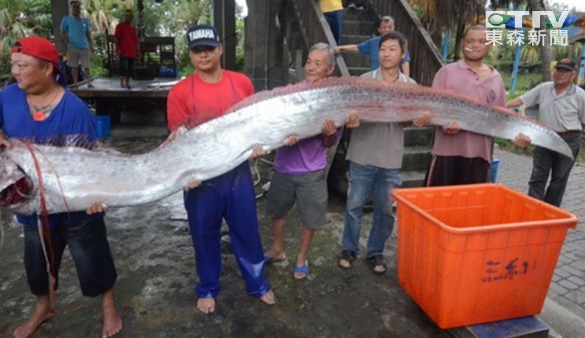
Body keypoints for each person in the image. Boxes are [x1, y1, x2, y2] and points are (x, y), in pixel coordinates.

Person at [0, 36, 122, 338]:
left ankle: (108, 304)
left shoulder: (74, 110)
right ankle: (43, 307)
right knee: (36, 266)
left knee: (92, 260)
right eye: (13, 65)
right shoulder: (7, 98)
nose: (15, 71)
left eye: (22, 65)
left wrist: (98, 196)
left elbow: (91, 162)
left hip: (77, 208)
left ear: (47, 69)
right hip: (32, 205)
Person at [166, 24, 275, 314]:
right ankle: (208, 287)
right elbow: (177, 141)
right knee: (204, 235)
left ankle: (257, 283)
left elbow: (255, 125)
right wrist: (185, 174)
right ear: (190, 55)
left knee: (247, 230)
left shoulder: (241, 82)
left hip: (237, 172)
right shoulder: (179, 92)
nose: (203, 55)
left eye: (208, 49)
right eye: (197, 50)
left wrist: (258, 146)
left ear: (220, 49)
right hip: (201, 180)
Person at [263, 42, 359, 280]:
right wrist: (284, 135)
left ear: (329, 70)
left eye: (318, 63)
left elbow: (329, 143)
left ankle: (301, 258)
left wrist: (327, 134)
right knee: (277, 211)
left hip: (312, 170)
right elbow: (276, 126)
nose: (311, 67)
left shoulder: (335, 99)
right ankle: (277, 249)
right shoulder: (291, 93)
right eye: (309, 61)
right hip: (283, 167)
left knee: (311, 217)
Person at [338, 31, 431, 274]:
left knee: (385, 210)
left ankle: (376, 251)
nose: (386, 53)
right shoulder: (363, 81)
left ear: (402, 54)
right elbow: (349, 113)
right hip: (361, 154)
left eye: (392, 49)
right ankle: (349, 248)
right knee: (353, 206)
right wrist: (351, 119)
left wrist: (415, 120)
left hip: (391, 158)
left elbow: (406, 122)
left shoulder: (410, 87)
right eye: (382, 49)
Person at [425, 24, 530, 187]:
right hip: (446, 153)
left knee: (470, 208)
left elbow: (500, 118)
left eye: (482, 41)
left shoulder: (496, 79)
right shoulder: (446, 72)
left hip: (480, 156)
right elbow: (432, 108)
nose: (475, 45)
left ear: (490, 45)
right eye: (470, 41)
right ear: (462, 44)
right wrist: (444, 122)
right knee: (436, 205)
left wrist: (514, 136)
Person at [506, 59, 585, 207]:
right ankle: (532, 209)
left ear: (573, 74)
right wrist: (499, 105)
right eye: (558, 70)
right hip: (544, 138)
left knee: (559, 179)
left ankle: (550, 212)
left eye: (565, 71)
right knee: (538, 176)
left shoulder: (580, 95)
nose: (560, 74)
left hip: (568, 140)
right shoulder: (544, 88)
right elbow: (521, 100)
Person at [335, 16, 411, 76]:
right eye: (384, 27)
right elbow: (357, 47)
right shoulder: (374, 42)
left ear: (394, 27)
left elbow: (405, 61)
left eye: (390, 27)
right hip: (376, 77)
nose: (387, 30)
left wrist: (406, 79)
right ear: (379, 29)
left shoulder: (399, 42)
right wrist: (339, 48)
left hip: (394, 77)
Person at [60, 0, 95, 88]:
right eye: (74, 7)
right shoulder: (66, 19)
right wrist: (67, 42)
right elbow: (62, 31)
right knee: (74, 65)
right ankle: (75, 83)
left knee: (86, 66)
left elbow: (88, 34)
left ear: (79, 9)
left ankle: (89, 83)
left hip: (84, 46)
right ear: (72, 8)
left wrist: (91, 45)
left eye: (77, 7)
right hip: (73, 46)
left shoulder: (84, 20)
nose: (76, 9)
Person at [114, 9, 138, 89]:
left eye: (130, 16)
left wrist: (137, 50)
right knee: (123, 68)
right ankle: (122, 83)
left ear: (132, 17)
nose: (128, 18)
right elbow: (117, 38)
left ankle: (127, 83)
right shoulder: (120, 26)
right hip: (123, 51)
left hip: (132, 51)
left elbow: (136, 40)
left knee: (130, 69)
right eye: (127, 16)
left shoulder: (133, 28)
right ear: (125, 17)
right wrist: (117, 48)